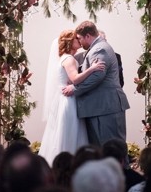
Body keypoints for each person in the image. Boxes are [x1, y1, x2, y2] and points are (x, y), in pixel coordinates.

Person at [38, 29, 107, 160]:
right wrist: (92, 69)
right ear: (70, 42)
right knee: (70, 131)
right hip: (68, 100)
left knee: (64, 132)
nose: (79, 40)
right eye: (76, 38)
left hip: (63, 99)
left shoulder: (66, 58)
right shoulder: (69, 59)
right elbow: (75, 79)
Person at [61, 21, 130, 145]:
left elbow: (97, 76)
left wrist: (75, 88)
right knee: (102, 149)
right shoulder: (97, 48)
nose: (80, 42)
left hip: (105, 107)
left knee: (111, 148)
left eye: (80, 38)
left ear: (88, 36)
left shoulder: (99, 49)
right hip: (100, 107)